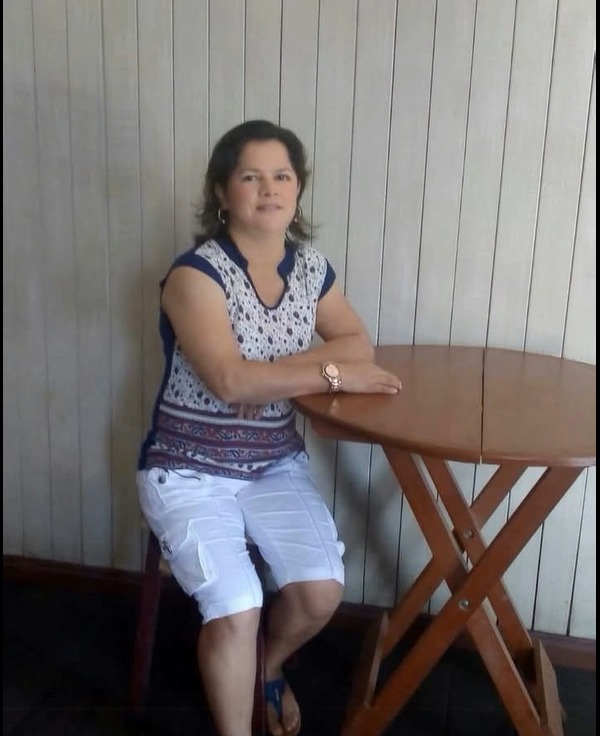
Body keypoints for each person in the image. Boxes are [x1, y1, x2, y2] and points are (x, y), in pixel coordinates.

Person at [136, 119, 402, 736]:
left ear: (298, 189)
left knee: (320, 593)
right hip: (187, 470)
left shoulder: (310, 268)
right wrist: (326, 374)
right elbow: (231, 382)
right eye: (250, 176)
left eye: (282, 175)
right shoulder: (195, 275)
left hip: (272, 463)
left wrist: (276, 375)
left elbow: (357, 343)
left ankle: (267, 668)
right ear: (222, 191)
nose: (269, 189)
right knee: (238, 606)